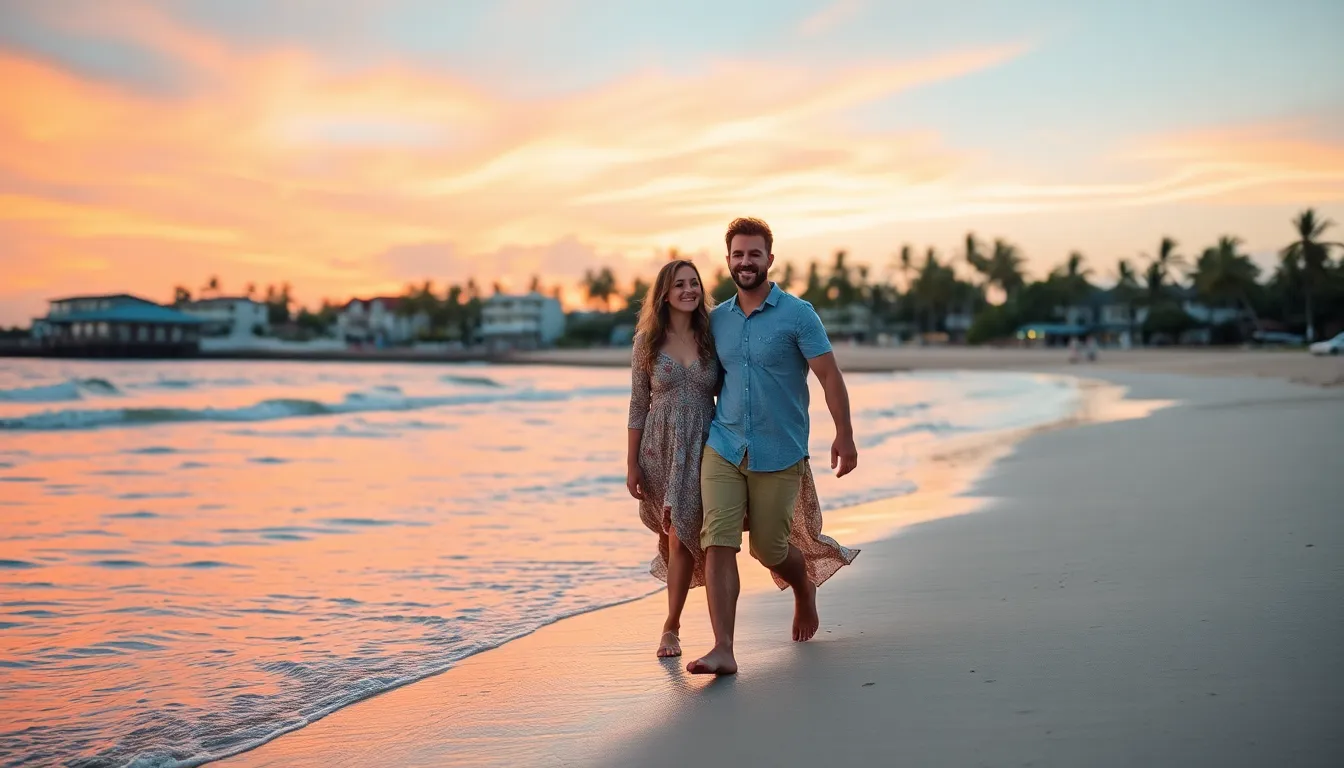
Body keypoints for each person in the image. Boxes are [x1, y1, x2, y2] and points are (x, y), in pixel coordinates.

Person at [687, 217, 860, 676]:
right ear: (728, 260)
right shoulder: (716, 320)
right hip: (723, 447)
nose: (746, 262)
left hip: (779, 451)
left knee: (769, 548)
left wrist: (844, 433)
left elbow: (828, 375)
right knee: (717, 542)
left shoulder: (798, 314)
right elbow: (700, 381)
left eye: (754, 254)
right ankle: (723, 647)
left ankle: (804, 589)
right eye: (738, 254)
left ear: (769, 259)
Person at [626, 259, 720, 659]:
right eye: (679, 284)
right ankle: (672, 627)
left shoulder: (712, 336)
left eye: (694, 283)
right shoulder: (646, 341)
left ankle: (698, 628)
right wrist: (631, 464)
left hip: (706, 443)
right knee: (677, 536)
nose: (688, 290)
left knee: (705, 536)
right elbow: (637, 404)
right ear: (664, 293)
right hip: (660, 448)